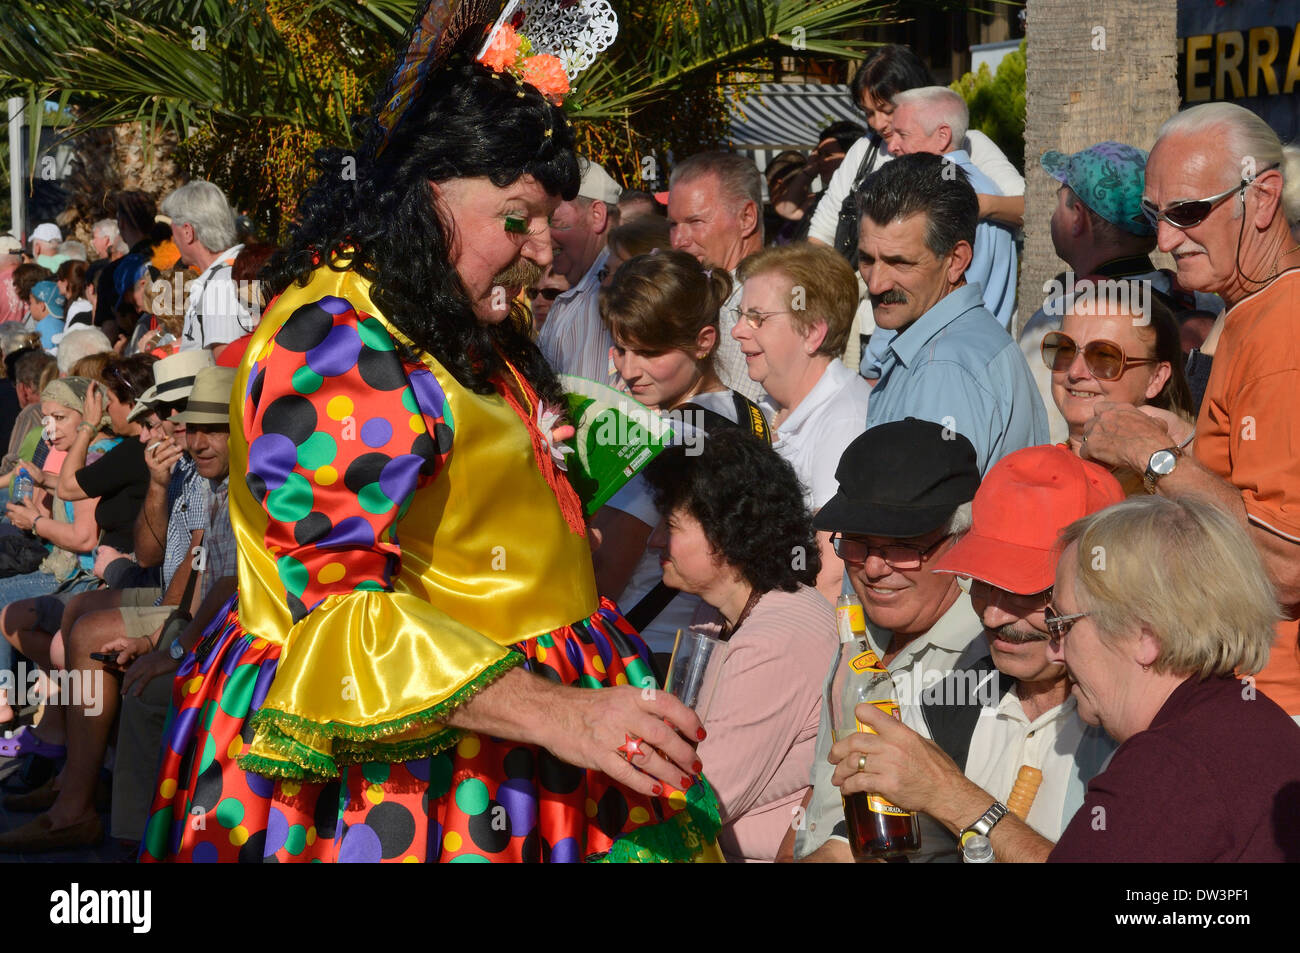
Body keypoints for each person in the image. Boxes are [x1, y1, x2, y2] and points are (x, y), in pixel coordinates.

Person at [139, 6, 719, 864]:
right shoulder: (335, 341)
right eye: (515, 219)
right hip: (414, 780)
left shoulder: (437, 309)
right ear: (423, 194)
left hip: (517, 751)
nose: (538, 256)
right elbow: (338, 620)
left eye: (547, 223)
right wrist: (562, 710)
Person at [831, 496, 1300, 862]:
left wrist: (959, 801)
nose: (1056, 649)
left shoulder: (1170, 765)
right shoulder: (1248, 721)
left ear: (1146, 636)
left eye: (1065, 624)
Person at [1083, 102, 1300, 718]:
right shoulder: (1255, 308)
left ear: (1262, 198)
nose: (1164, 239)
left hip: (1274, 705)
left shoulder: (1284, 324)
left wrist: (1153, 457)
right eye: (1155, 215)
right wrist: (1188, 447)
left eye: (1188, 212)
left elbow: (1286, 564)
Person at [819, 446, 1121, 862]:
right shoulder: (955, 700)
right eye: (982, 583)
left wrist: (951, 795)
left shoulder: (1138, 728)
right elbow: (846, 853)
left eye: (1025, 591)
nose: (994, 615)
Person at [790, 419, 984, 861]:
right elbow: (823, 786)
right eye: (857, 542)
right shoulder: (860, 632)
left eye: (901, 546)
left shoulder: (986, 663)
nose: (874, 568)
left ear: (962, 538)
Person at [640, 429, 837, 862]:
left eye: (670, 525)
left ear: (727, 534)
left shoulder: (779, 635)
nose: (654, 540)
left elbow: (696, 797)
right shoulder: (719, 613)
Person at [592, 249, 767, 657]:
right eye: (620, 347)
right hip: (708, 645)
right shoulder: (750, 413)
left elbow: (604, 575)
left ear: (703, 342)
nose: (629, 369)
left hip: (640, 652)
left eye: (650, 353)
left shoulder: (661, 440)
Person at [858, 153, 1048, 474]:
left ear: (956, 260)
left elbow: (921, 518)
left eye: (899, 262)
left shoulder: (943, 368)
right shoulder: (957, 345)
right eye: (866, 259)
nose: (876, 283)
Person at [1018, 142, 1220, 439]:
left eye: (1058, 202)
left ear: (1077, 217)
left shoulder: (1063, 318)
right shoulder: (1206, 303)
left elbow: (1041, 435)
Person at [732, 244, 870, 605]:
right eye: (740, 314)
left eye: (757, 318)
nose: (736, 331)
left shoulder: (845, 419)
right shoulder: (762, 409)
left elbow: (830, 573)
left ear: (812, 332)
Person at [887, 87, 1017, 334]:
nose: (893, 146)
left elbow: (904, 295)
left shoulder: (931, 197)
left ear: (942, 136)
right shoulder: (990, 190)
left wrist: (874, 363)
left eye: (903, 134)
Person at [1045, 292, 1193, 494]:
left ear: (1156, 378)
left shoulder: (1172, 498)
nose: (1075, 372)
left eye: (1105, 356)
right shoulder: (1029, 473)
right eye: (1065, 349)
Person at [666, 151, 766, 401]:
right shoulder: (705, 297)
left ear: (746, 218)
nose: (678, 240)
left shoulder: (760, 307)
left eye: (695, 221)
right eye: (673, 225)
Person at [536, 157, 623, 385]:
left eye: (553, 220)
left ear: (597, 215)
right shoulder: (573, 296)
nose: (543, 236)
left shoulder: (622, 292)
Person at [161, 181, 250, 358]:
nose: (173, 241)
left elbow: (227, 365)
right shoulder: (237, 269)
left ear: (188, 232)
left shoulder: (221, 283)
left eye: (173, 232)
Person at [56, 259, 93, 330]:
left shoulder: (77, 307)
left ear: (66, 282)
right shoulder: (86, 302)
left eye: (59, 279)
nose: (57, 283)